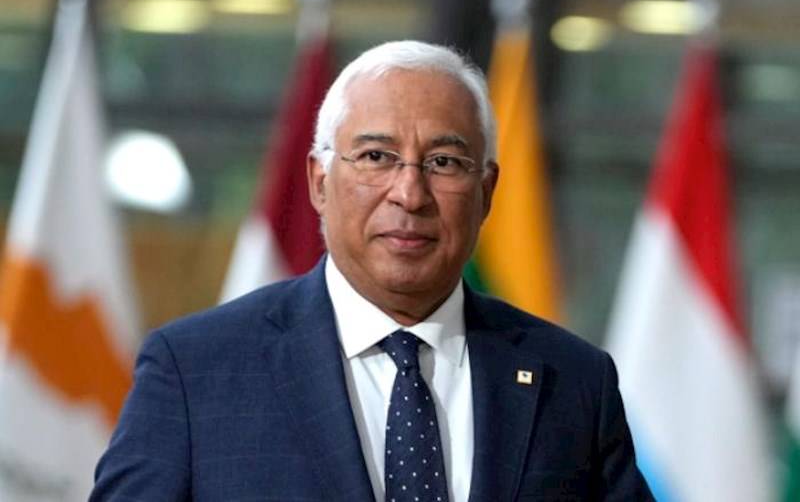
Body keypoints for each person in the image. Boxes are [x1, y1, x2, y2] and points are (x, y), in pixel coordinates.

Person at [91, 40, 653, 501]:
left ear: (485, 193)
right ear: (319, 182)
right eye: (376, 157)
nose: (410, 193)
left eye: (444, 162)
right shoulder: (195, 372)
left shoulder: (574, 380)